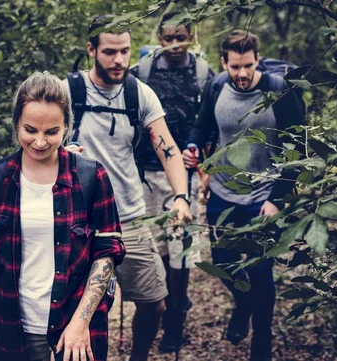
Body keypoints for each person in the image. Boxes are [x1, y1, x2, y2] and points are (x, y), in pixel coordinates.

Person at [0, 72, 125, 361]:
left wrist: (80, 323)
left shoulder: (91, 176)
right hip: (10, 328)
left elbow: (107, 254)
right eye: (30, 130)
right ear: (16, 125)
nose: (39, 141)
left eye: (51, 132)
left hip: (76, 330)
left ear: (66, 129)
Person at [64, 15, 193, 361]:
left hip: (129, 219)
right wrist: (62, 155)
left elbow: (168, 150)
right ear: (91, 50)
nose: (119, 60)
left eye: (124, 51)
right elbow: (34, 144)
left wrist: (180, 196)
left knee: (154, 303)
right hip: (78, 221)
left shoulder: (139, 93)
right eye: (109, 52)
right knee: (78, 307)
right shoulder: (67, 91)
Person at [183, 30, 306, 361]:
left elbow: (301, 147)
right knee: (223, 262)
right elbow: (202, 125)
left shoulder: (279, 90)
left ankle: (261, 344)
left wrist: (278, 198)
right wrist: (192, 146)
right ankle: (243, 305)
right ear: (224, 61)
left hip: (263, 194)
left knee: (260, 271)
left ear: (257, 60)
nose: (241, 74)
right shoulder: (216, 86)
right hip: (223, 191)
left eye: (248, 66)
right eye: (235, 66)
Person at [130, 12, 215, 353]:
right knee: (158, 248)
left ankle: (177, 317)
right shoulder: (142, 72)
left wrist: (203, 160)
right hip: (148, 173)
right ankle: (166, 305)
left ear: (191, 35)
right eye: (169, 38)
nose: (176, 45)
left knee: (182, 250)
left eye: (182, 37)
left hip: (187, 174)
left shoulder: (204, 74)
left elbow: (210, 121)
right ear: (160, 38)